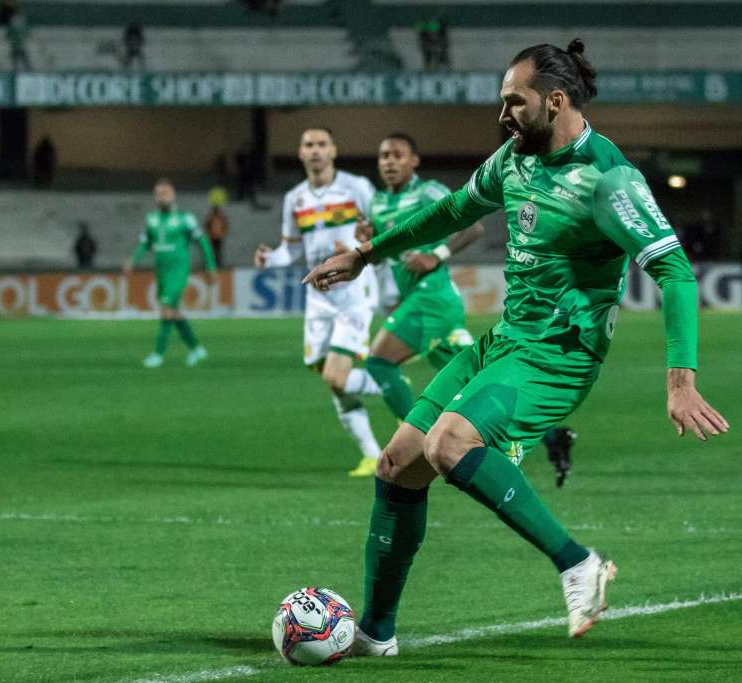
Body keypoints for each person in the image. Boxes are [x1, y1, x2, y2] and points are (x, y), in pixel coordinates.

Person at [303, 40, 728, 653]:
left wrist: (681, 381)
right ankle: (377, 633)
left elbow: (676, 273)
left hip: (558, 354)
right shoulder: (515, 158)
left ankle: (578, 563)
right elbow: (453, 210)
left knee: (449, 443)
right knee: (398, 465)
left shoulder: (608, 179)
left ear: (555, 101)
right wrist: (367, 254)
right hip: (504, 341)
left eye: (513, 102)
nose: (502, 114)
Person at [342, 132, 484, 476]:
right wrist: (368, 242)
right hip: (427, 303)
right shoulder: (377, 202)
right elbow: (383, 255)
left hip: (432, 297)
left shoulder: (428, 192)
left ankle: (417, 438)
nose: (389, 162)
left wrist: (437, 254)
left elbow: (474, 226)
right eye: (384, 156)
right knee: (476, 383)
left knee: (378, 361)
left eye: (397, 155)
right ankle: (554, 437)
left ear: (413, 161)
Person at [255, 128, 382, 472]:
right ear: (300, 153)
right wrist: (270, 258)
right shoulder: (295, 198)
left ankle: (390, 385)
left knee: (336, 378)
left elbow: (382, 229)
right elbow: (291, 249)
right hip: (319, 298)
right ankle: (372, 454)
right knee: (329, 377)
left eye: (321, 144)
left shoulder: (356, 187)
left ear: (333, 151)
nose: (315, 150)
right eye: (309, 145)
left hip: (353, 293)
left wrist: (357, 248)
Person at [124, 179, 216, 368]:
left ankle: (158, 354)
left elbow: (203, 242)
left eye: (165, 193)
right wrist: (133, 260)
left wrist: (210, 267)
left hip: (178, 270)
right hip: (162, 271)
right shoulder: (151, 219)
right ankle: (196, 348)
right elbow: (144, 243)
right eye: (158, 193)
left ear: (173, 196)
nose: (162, 197)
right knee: (173, 312)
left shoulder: (185, 219)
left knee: (166, 309)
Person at [203, 187, 229, 268]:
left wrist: (223, 233)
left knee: (218, 252)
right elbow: (206, 226)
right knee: (212, 252)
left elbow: (225, 226)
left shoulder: (222, 217)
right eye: (215, 209)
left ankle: (218, 265)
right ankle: (211, 265)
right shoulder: (211, 217)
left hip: (219, 237)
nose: (217, 210)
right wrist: (208, 234)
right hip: (212, 237)